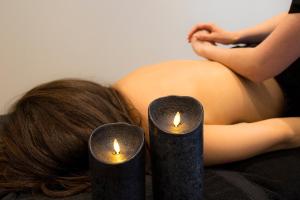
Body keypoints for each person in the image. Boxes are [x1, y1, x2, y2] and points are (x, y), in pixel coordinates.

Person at [0, 0, 299, 198]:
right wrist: (235, 37)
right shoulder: (124, 85)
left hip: (283, 76)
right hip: (261, 56)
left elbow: (283, 133)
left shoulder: (172, 138)